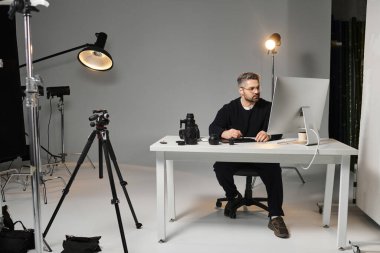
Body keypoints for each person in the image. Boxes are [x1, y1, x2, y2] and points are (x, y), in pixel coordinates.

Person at [209, 72, 289, 238]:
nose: (256, 91)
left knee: (274, 170)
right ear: (241, 90)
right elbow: (213, 128)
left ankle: (275, 216)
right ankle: (233, 197)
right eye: (251, 88)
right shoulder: (229, 108)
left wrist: (270, 134)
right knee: (220, 167)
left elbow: (279, 130)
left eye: (258, 87)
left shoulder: (267, 107)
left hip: (261, 157)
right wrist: (225, 132)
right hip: (237, 157)